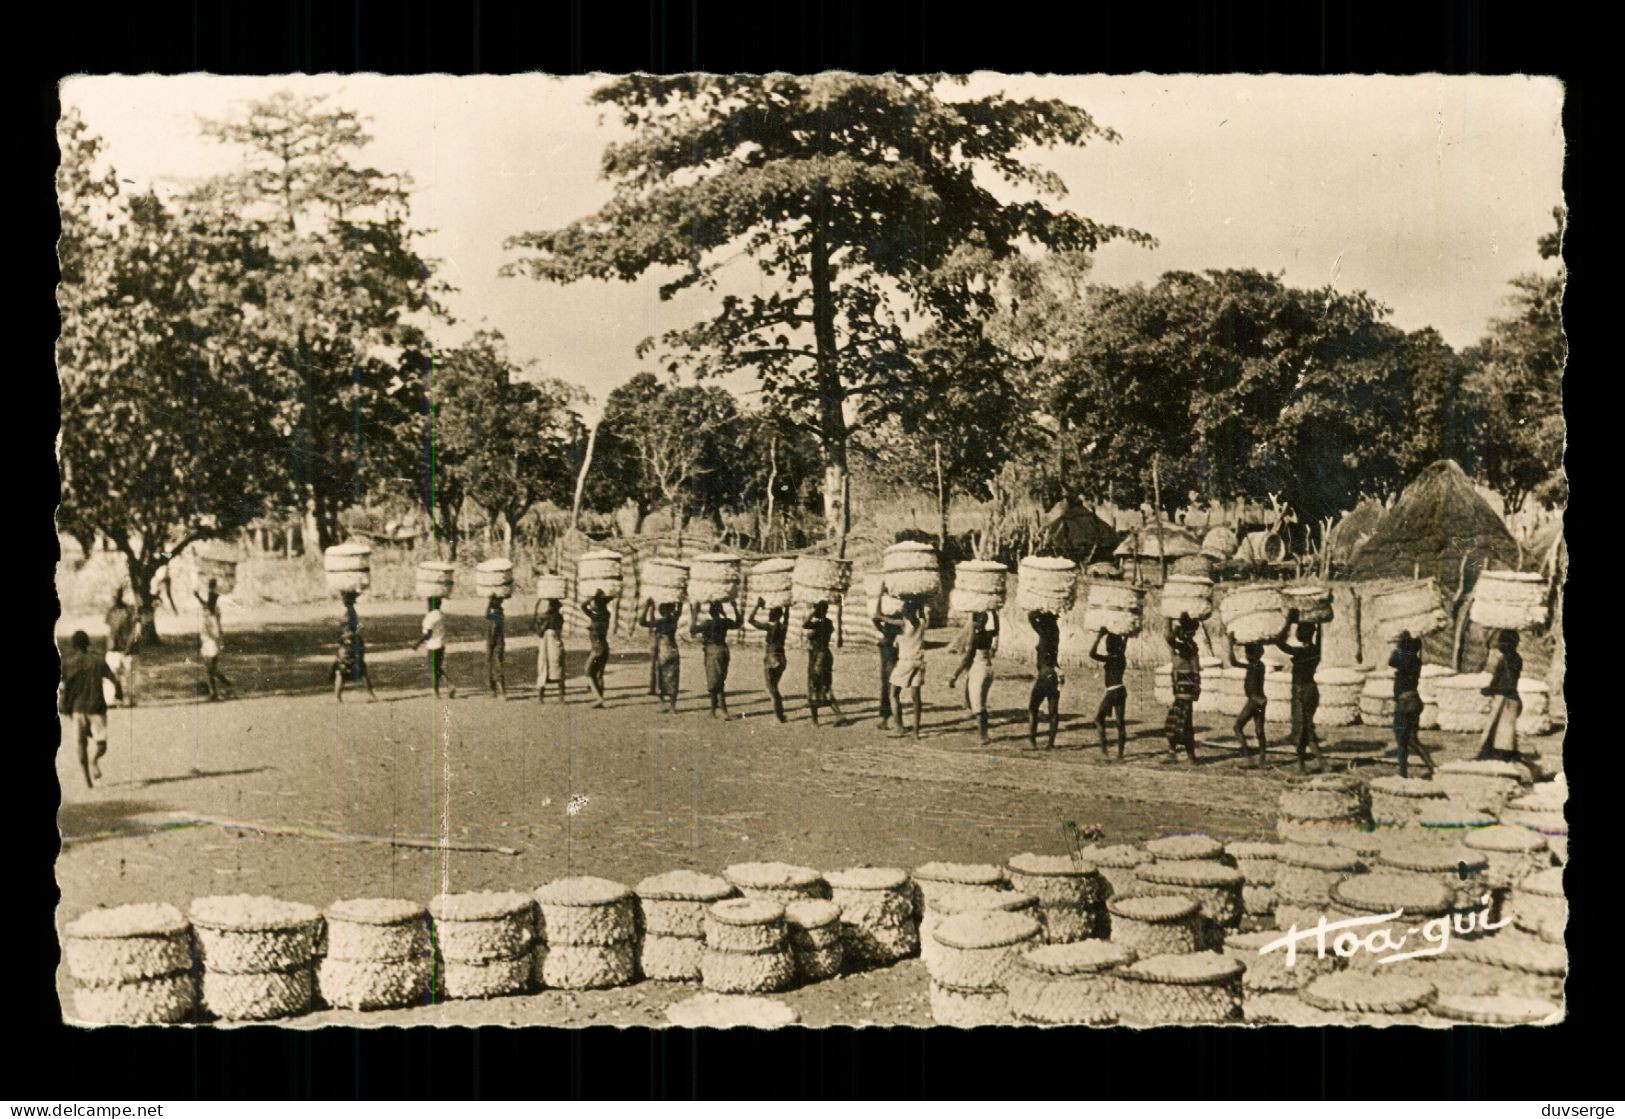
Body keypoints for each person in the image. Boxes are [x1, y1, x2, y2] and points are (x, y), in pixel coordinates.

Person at [61, 630, 122, 788]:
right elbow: (114, 679)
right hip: (96, 707)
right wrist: (119, 692)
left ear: (74, 645)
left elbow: (64, 687)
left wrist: (64, 706)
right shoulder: (98, 661)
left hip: (77, 709)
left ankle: (87, 780)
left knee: (80, 744)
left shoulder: (69, 664)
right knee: (101, 744)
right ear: (88, 643)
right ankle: (94, 761)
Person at [1275, 611, 1326, 772]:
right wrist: (1318, 622)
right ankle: (1313, 764)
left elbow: (1279, 642)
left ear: (1299, 634)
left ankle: (1306, 766)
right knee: (1306, 728)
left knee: (1301, 730)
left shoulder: (1300, 652)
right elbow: (1320, 637)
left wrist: (1288, 623)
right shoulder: (1316, 650)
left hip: (1300, 692)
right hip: (1312, 691)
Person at [1476, 629, 1529, 769]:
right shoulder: (1503, 659)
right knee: (1494, 732)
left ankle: (1504, 758)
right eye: (1499, 641)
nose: (1499, 644)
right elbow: (1496, 679)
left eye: (1503, 641)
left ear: (1513, 644)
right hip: (1501, 698)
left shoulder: (1514, 660)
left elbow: (1510, 685)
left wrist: (1492, 690)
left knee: (1504, 735)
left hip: (1508, 700)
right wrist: (1489, 689)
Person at [947, 609, 1000, 745]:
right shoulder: (989, 634)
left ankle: (984, 737)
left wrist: (954, 675)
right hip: (988, 669)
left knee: (979, 707)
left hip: (979, 670)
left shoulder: (976, 638)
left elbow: (967, 659)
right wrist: (993, 612)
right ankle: (983, 734)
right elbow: (996, 627)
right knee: (979, 702)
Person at [1389, 630, 1435, 778]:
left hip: (1404, 704)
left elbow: (1391, 661)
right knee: (1413, 739)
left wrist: (1399, 641)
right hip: (1415, 702)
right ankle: (1432, 766)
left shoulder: (1403, 659)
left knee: (1402, 741)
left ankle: (1402, 773)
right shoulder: (1415, 661)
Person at [883, 597, 929, 740]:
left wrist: (878, 599)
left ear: (905, 611)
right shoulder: (922, 623)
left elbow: (879, 616)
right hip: (919, 662)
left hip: (905, 663)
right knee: (916, 699)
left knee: (893, 694)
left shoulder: (903, 624)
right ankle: (916, 732)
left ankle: (899, 727)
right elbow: (921, 612)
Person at [691, 600, 743, 719]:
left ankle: (723, 711)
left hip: (713, 651)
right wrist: (735, 608)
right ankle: (713, 711)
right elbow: (738, 623)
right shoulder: (724, 622)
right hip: (724, 650)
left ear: (710, 611)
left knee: (715, 682)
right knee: (719, 681)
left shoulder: (708, 623)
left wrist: (695, 612)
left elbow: (693, 629)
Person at [1164, 615, 1202, 766]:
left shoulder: (1189, 647)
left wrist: (1178, 626)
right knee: (1181, 723)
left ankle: (1183, 755)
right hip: (1182, 690)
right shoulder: (1184, 647)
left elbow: (1170, 639)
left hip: (1185, 691)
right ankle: (1186, 755)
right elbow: (1170, 639)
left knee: (1180, 723)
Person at [802, 600, 847, 726]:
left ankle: (815, 721)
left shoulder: (818, 624)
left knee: (813, 685)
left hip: (818, 657)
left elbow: (805, 625)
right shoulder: (829, 622)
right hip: (826, 655)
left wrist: (812, 613)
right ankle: (839, 714)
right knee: (826, 686)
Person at [1228, 636, 1268, 767]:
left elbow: (1233, 662)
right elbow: (1235, 663)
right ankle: (1262, 760)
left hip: (1253, 701)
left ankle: (1247, 758)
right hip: (1261, 700)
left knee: (1237, 727)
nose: (1246, 656)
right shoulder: (1259, 665)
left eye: (1248, 653)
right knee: (1259, 731)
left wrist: (1230, 644)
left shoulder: (1253, 666)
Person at [748, 598, 789, 723]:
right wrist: (787, 606)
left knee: (771, 688)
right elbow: (787, 617)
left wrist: (756, 605)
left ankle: (779, 715)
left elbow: (750, 620)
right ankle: (780, 713)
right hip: (782, 659)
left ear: (771, 615)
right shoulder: (783, 626)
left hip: (771, 658)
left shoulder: (769, 627)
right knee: (775, 686)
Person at [1027, 610, 1063, 751]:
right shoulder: (1054, 631)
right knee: (1053, 711)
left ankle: (1032, 741)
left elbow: (1031, 617)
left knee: (1033, 707)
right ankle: (1051, 743)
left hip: (1045, 674)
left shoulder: (1045, 632)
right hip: (1054, 674)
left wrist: (1037, 610)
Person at [332, 590, 377, 702]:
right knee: (359, 670)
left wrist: (342, 636)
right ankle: (370, 695)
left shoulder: (349, 613)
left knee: (342, 670)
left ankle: (337, 697)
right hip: (352, 644)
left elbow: (349, 631)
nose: (343, 600)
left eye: (345, 597)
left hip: (349, 646)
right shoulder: (351, 612)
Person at [1090, 629, 1128, 758]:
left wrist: (1098, 637)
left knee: (1098, 719)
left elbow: (1092, 654)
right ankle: (1120, 755)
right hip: (1122, 690)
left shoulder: (1110, 657)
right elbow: (1123, 646)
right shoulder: (1121, 655)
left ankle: (1104, 752)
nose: (1106, 646)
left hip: (1112, 691)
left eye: (1107, 643)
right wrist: (1125, 636)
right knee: (1120, 723)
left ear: (1110, 646)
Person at [641, 599, 682, 714]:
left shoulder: (660, 622)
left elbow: (642, 622)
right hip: (674, 652)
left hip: (663, 653)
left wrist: (647, 606)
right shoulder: (674, 620)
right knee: (674, 678)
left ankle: (662, 704)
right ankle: (673, 707)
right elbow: (679, 610)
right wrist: (678, 602)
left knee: (661, 678)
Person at [195, 579, 233, 701]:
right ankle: (225, 685)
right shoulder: (210, 608)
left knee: (210, 668)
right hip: (208, 639)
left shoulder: (212, 609)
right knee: (210, 668)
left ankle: (216, 691)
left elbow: (209, 603)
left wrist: (197, 596)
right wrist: (197, 596)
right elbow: (206, 603)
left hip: (211, 640)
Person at [413, 596, 456, 699]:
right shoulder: (440, 614)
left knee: (432, 668)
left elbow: (428, 634)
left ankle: (436, 692)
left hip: (433, 645)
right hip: (441, 644)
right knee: (437, 668)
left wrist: (417, 644)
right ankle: (449, 685)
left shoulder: (431, 616)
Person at [104, 587, 140, 707]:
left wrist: (129, 646)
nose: (113, 599)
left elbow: (135, 630)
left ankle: (131, 700)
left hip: (128, 650)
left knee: (130, 677)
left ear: (120, 596)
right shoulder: (110, 612)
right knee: (111, 674)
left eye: (115, 596)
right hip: (114, 649)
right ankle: (112, 699)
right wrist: (108, 646)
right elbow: (109, 630)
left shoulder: (129, 610)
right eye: (112, 597)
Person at [873, 601, 903, 730]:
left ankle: (896, 723)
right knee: (888, 693)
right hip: (887, 667)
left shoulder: (892, 639)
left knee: (891, 694)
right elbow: (876, 618)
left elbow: (876, 618)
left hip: (891, 667)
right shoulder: (888, 636)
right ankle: (886, 720)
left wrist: (881, 616)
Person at [579, 590, 612, 708]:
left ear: (597, 606)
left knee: (588, 672)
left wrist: (592, 597)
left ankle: (599, 698)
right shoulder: (607, 615)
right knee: (599, 675)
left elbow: (583, 606)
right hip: (605, 648)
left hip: (597, 649)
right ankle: (600, 699)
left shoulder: (595, 616)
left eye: (593, 604)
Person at [535, 596, 567, 704]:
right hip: (556, 645)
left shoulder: (548, 619)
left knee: (543, 668)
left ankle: (541, 697)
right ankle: (561, 697)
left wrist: (537, 614)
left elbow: (539, 632)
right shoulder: (559, 618)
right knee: (559, 669)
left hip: (547, 646)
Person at [484, 594, 509, 699]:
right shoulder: (499, 611)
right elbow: (486, 615)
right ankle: (495, 691)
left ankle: (499, 692)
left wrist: (491, 644)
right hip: (498, 642)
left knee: (494, 665)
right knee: (496, 665)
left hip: (494, 643)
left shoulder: (495, 612)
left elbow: (493, 628)